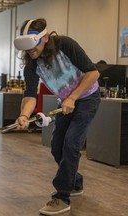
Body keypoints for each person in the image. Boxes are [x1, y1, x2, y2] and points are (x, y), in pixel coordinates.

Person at [13, 18, 101, 215]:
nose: (30, 51)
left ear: (44, 38)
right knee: (56, 148)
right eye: (26, 48)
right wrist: (24, 115)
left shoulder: (65, 45)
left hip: (87, 98)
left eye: (32, 45)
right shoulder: (32, 65)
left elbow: (93, 73)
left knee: (71, 143)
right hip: (66, 103)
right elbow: (30, 95)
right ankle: (75, 183)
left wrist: (72, 97)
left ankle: (62, 197)